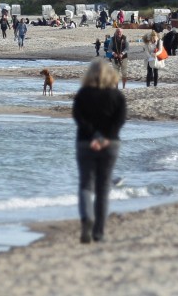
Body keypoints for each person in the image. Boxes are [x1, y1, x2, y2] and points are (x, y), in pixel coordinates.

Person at [72, 59, 127, 243]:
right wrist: (104, 138)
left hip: (85, 143)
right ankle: (99, 232)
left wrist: (94, 136)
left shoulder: (82, 95)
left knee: (86, 185)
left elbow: (79, 118)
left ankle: (87, 217)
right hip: (110, 145)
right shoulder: (116, 96)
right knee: (103, 189)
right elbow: (119, 121)